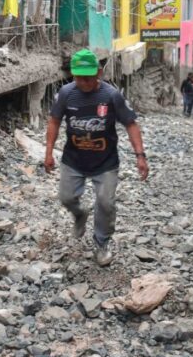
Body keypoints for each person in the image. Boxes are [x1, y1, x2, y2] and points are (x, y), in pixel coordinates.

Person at [44, 49, 149, 267]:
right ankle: (80, 215)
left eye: (88, 77)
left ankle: (101, 243)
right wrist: (48, 153)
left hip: (105, 162)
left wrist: (140, 156)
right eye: (79, 77)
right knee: (66, 198)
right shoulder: (66, 94)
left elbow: (131, 124)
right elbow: (54, 121)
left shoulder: (111, 96)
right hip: (73, 159)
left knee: (105, 203)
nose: (83, 82)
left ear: (99, 73)